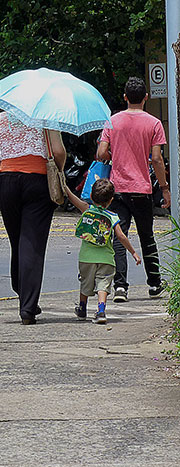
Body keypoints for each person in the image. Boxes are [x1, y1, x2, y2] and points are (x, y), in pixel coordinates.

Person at [96, 77, 170, 302]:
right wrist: (164, 189)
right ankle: (155, 284)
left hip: (117, 189)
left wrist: (114, 156)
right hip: (142, 189)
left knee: (119, 236)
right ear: (145, 98)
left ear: (125, 97)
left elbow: (101, 153)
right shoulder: (154, 123)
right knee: (147, 236)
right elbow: (157, 159)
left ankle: (120, 287)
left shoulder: (112, 121)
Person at [0, 111, 65, 324]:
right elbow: (58, 151)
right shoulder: (47, 116)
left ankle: (22, 291)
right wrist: (61, 168)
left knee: (17, 241)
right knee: (32, 243)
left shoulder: (0, 118)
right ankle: (28, 307)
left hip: (6, 181)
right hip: (37, 181)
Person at [64, 178, 140, 324]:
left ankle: (82, 309)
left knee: (85, 283)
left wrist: (64, 186)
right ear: (111, 200)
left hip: (86, 258)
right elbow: (121, 237)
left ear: (91, 196)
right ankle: (101, 311)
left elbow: (72, 198)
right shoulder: (113, 217)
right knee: (103, 285)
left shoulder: (86, 209)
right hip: (106, 258)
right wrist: (133, 252)